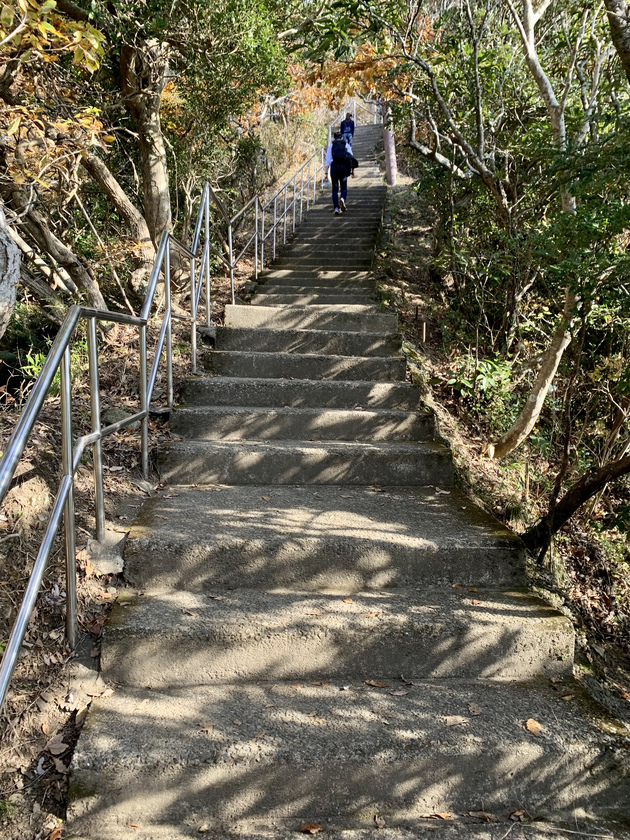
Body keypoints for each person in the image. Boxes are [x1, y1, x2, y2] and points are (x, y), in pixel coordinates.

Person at [324, 132, 354, 214]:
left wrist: (326, 174)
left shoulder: (331, 146)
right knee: (343, 187)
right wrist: (352, 170)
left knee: (334, 189)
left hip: (334, 168)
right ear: (341, 138)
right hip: (343, 168)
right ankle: (342, 199)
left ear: (334, 138)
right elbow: (351, 157)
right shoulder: (346, 145)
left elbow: (327, 162)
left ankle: (336, 208)